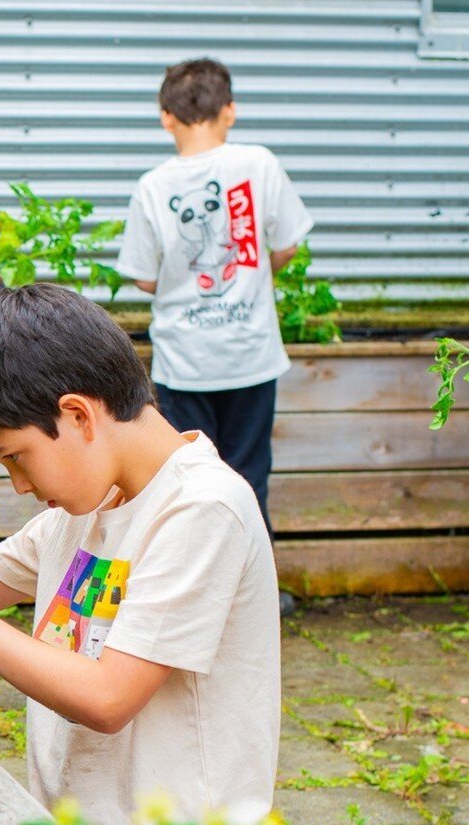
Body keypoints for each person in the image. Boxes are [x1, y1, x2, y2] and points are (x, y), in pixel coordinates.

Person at [0, 284, 281, 825]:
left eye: (16, 458)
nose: (19, 485)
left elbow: (107, 697)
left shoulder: (202, 509)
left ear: (77, 415)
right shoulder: (87, 506)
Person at [115, 57, 313, 615]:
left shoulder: (154, 185)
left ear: (165, 118)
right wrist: (255, 271)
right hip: (250, 356)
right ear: (230, 109)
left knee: (180, 481)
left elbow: (145, 275)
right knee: (249, 477)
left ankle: (182, 600)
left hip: (184, 360)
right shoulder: (259, 162)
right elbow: (289, 242)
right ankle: (255, 600)